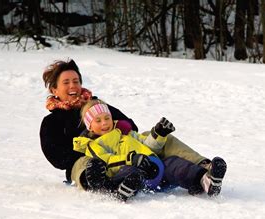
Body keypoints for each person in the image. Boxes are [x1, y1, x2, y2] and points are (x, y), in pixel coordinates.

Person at [40, 59, 227, 197]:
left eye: (76, 81)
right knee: (84, 163)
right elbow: (56, 157)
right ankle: (103, 185)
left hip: (124, 150)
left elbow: (130, 126)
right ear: (54, 90)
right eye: (66, 82)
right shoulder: (52, 122)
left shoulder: (97, 106)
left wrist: (120, 134)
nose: (73, 86)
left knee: (157, 137)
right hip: (92, 158)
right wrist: (90, 150)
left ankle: (205, 169)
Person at [73, 99, 226, 201]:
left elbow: (148, 145)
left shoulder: (127, 133)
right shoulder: (93, 145)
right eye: (98, 120)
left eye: (107, 118)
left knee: (175, 164)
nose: (104, 123)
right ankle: (123, 191)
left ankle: (205, 181)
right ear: (90, 126)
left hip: (154, 168)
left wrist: (158, 134)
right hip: (132, 172)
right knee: (130, 172)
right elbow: (106, 161)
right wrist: (130, 159)